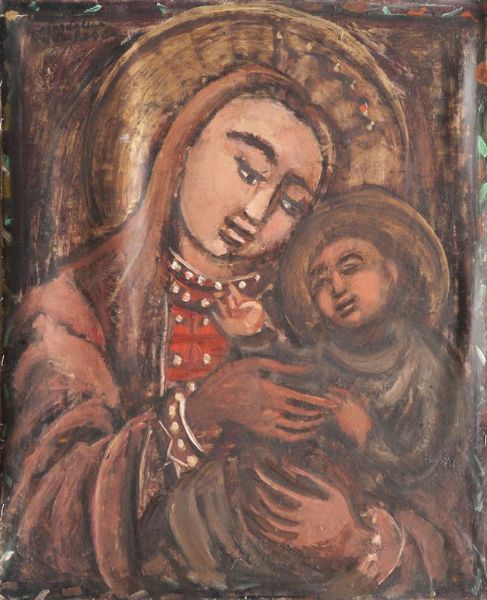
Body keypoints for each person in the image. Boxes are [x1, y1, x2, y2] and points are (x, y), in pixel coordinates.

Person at [2, 65, 336, 597]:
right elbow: (44, 511)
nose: (257, 212)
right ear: (181, 147)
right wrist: (197, 416)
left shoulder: (307, 322)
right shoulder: (71, 308)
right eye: (248, 169)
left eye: (291, 204)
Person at [147, 188, 473, 597]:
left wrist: (367, 437)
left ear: (392, 272)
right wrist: (256, 335)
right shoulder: (326, 350)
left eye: (351, 267)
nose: (336, 286)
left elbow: (426, 460)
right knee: (219, 496)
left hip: (350, 511)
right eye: (320, 280)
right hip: (295, 486)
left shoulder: (426, 365)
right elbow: (292, 376)